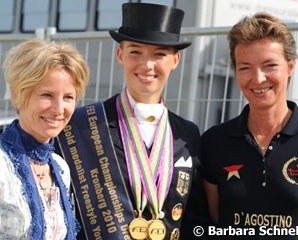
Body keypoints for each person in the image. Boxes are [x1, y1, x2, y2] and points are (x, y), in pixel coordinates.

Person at [57, 2, 209, 240]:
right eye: (135, 52)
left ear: (175, 60)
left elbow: (195, 217)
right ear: (120, 54)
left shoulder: (187, 133)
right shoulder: (82, 125)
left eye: (159, 54)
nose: (147, 65)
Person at [201, 12, 298, 239]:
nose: (258, 79)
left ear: (290, 66)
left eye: (269, 65)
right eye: (245, 67)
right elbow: (214, 219)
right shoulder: (214, 142)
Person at [0, 39, 89, 239]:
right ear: (18, 95)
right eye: (47, 95)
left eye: (68, 97)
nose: (59, 109)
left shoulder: (60, 167)